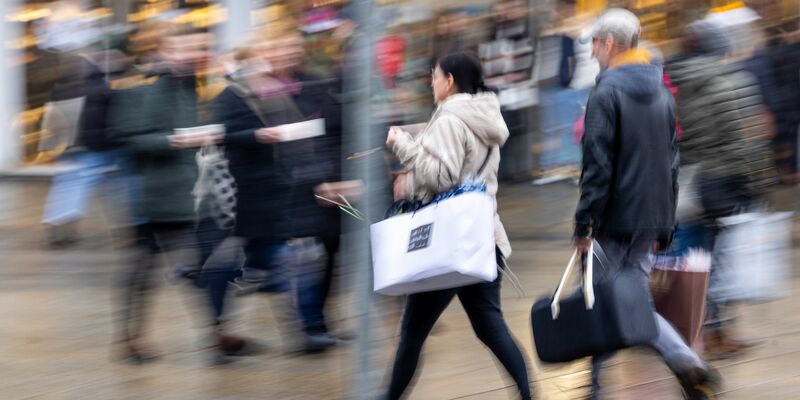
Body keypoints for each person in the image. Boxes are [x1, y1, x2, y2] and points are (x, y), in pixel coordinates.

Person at [572, 9, 719, 400]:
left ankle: (596, 388)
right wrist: (664, 223)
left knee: (601, 300)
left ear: (608, 44)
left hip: (611, 220)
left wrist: (585, 224)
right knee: (630, 302)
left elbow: (597, 166)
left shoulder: (605, 93)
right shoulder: (661, 92)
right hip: (648, 219)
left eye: (594, 45)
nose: (592, 53)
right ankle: (688, 366)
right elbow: (672, 163)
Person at [384, 53, 531, 400]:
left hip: (447, 242)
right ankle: (528, 395)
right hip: (481, 236)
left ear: (449, 81)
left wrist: (403, 146)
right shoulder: (483, 116)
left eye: (434, 76)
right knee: (490, 327)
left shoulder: (450, 119)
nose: (431, 82)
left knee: (413, 332)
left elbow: (443, 177)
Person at [665, 21, 776, 360]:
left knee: (695, 259)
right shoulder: (734, 80)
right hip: (725, 182)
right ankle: (718, 333)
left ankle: (697, 333)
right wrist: (760, 184)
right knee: (724, 259)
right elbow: (746, 140)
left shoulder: (673, 82)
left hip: (688, 181)